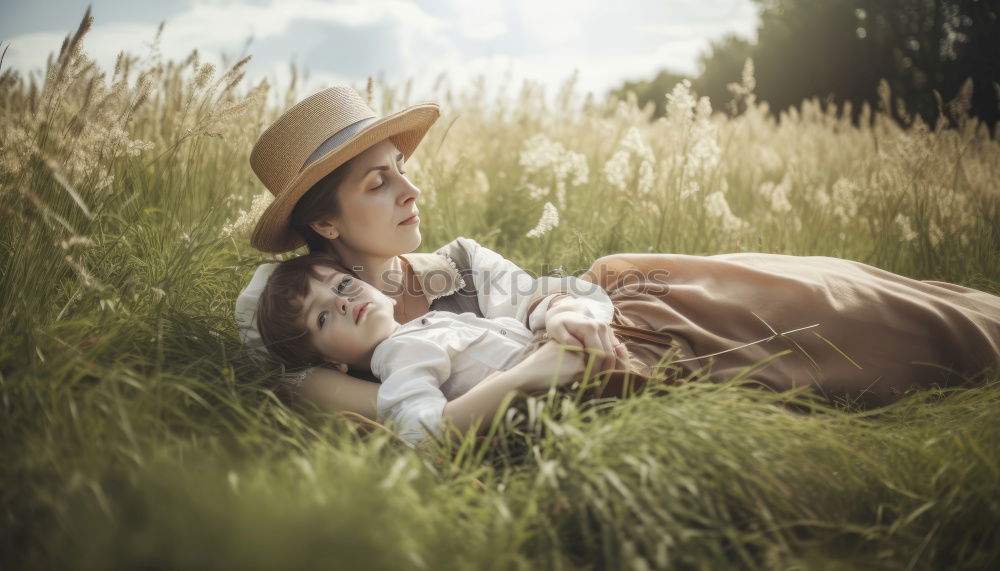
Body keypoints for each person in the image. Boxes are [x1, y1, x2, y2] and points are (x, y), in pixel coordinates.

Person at [235, 84, 1000, 422]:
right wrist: (542, 362)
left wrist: (561, 305)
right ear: (327, 226)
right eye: (380, 181)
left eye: (403, 169)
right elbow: (408, 424)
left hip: (638, 301)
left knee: (846, 290)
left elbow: (537, 290)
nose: (410, 190)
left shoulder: (456, 260)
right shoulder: (313, 332)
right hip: (613, 365)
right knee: (860, 346)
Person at [255, 252, 632, 443]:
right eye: (321, 318)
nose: (340, 302)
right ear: (331, 363)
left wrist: (556, 313)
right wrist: (527, 375)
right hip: (564, 404)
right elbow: (422, 431)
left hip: (581, 372)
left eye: (341, 286)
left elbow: (516, 322)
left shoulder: (428, 325)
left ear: (379, 291)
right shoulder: (398, 357)